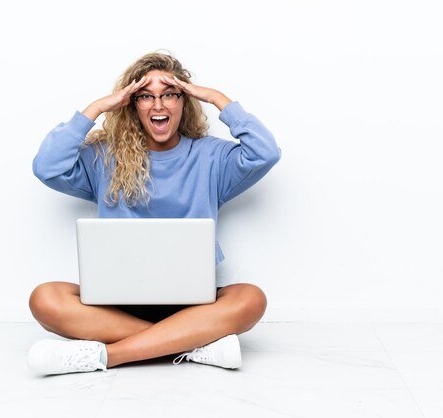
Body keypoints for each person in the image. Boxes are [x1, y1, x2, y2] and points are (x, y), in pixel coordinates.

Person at [27, 51, 281, 375]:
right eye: (146, 96)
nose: (158, 105)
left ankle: (107, 355)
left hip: (193, 305)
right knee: (44, 298)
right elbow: (46, 166)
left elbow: (266, 152)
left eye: (169, 94)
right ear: (132, 104)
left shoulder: (211, 158)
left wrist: (217, 99)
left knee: (251, 299)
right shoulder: (105, 157)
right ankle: (193, 345)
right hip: (116, 305)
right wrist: (97, 107)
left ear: (184, 101)